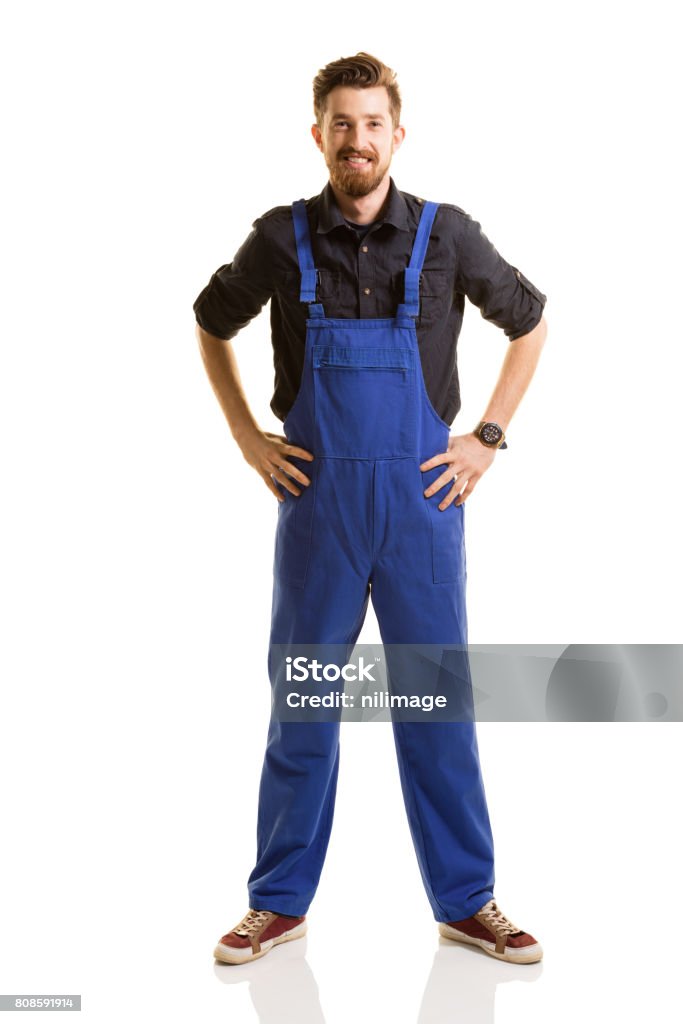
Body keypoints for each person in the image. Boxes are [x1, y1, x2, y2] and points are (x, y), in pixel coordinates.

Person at [194, 52, 548, 966]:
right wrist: (246, 436)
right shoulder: (281, 239)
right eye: (341, 125)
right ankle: (277, 903)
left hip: (423, 506)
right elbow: (210, 318)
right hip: (318, 508)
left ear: (398, 133)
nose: (357, 141)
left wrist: (488, 438)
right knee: (304, 706)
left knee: (434, 705)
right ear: (318, 135)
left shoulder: (447, 235)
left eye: (373, 124)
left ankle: (468, 901)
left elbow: (530, 322)